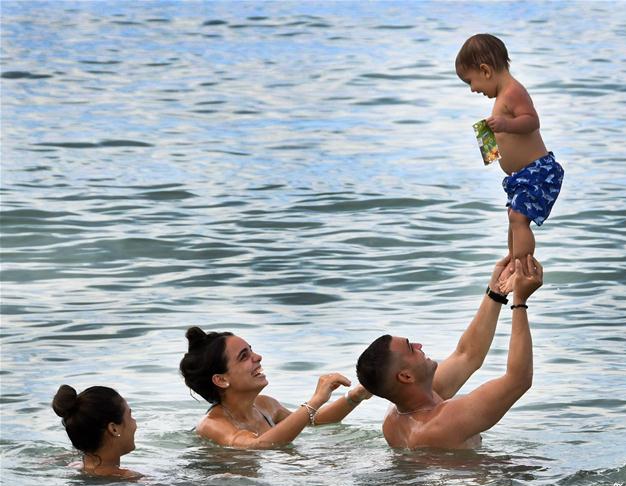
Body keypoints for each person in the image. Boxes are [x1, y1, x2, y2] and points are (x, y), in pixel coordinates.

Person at [356, 254, 541, 450]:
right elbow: (518, 380)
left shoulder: (395, 417)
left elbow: (467, 354)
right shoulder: (441, 424)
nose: (419, 346)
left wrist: (496, 290)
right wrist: (520, 301)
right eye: (411, 348)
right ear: (406, 376)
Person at [456, 33, 564, 262]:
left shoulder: (513, 91)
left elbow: (532, 121)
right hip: (522, 175)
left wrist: (506, 125)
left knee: (517, 217)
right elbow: (506, 140)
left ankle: (522, 264)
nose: (472, 89)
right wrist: (490, 142)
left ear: (485, 71)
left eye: (470, 81)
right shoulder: (501, 100)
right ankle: (514, 258)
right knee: (513, 216)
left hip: (538, 171)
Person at [179, 327, 370, 449]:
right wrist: (316, 399)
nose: (258, 357)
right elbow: (257, 446)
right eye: (244, 356)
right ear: (221, 380)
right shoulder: (212, 424)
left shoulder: (265, 405)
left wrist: (355, 396)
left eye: (251, 350)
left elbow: (313, 420)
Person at [52, 384, 141, 479]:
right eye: (130, 416)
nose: (135, 422)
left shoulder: (74, 465)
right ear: (114, 429)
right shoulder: (131, 478)